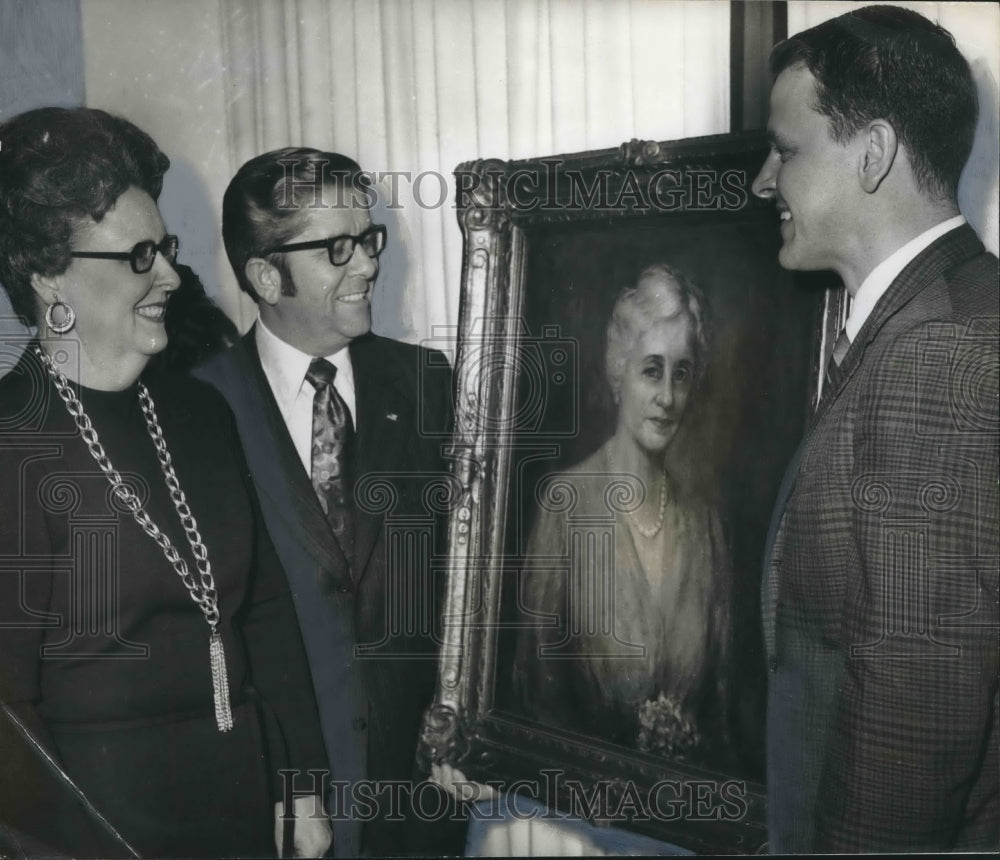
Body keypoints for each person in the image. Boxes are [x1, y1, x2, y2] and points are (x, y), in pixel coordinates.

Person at [0, 108, 331, 857]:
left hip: (242, 800)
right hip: (99, 826)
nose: (171, 276)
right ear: (48, 272)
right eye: (139, 255)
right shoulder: (11, 438)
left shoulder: (199, 412)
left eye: (167, 248)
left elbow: (266, 608)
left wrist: (302, 786)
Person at [752, 6, 999, 853]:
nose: (762, 180)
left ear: (874, 153)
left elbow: (912, 720)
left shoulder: (940, 354)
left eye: (785, 150)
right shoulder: (952, 309)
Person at [194, 148, 456, 856]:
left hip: (423, 796)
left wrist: (474, 725)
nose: (368, 264)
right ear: (265, 274)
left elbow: (475, 572)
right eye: (337, 248)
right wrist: (289, 780)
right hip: (283, 804)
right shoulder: (195, 407)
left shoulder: (429, 384)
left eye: (367, 240)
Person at [514, 263, 733, 766]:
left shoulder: (706, 528)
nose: (667, 397)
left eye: (682, 374)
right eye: (651, 370)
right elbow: (533, 696)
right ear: (618, 371)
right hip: (575, 815)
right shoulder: (566, 504)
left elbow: (721, 713)